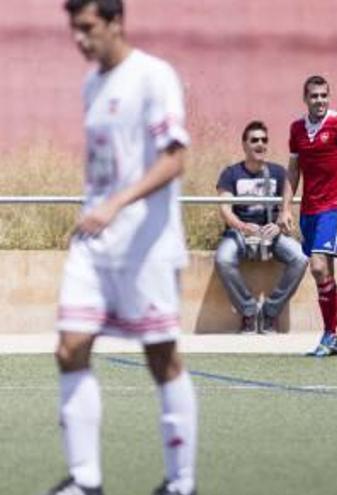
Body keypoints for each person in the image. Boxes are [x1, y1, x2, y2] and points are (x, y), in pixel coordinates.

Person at [49, 1, 197, 494]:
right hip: (94, 244)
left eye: (87, 28)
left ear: (115, 22)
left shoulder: (154, 77)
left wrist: (116, 204)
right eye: (73, 29)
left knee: (162, 358)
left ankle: (181, 482)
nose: (79, 39)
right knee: (70, 348)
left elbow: (174, 160)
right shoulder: (91, 84)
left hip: (146, 244)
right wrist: (98, 208)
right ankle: (85, 481)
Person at [286, 75, 337, 357]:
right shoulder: (297, 128)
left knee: (319, 266)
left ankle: (330, 334)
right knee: (325, 271)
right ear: (305, 98)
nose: (320, 101)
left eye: (324, 95)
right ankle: (335, 337)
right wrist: (285, 207)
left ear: (329, 97)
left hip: (335, 205)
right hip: (309, 208)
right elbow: (293, 171)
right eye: (314, 96)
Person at [214, 121, 309, 334]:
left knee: (300, 258)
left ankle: (270, 312)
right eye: (254, 140)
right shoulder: (231, 173)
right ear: (244, 145)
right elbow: (225, 209)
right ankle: (248, 311)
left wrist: (278, 225)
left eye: (264, 140)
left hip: (271, 233)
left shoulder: (278, 172)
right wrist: (242, 226)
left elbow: (286, 207)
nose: (260, 144)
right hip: (239, 232)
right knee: (223, 259)